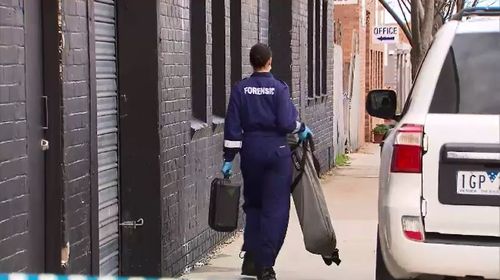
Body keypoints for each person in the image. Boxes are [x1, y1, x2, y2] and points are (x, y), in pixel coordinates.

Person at [221, 43, 312, 280]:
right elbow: (286, 122)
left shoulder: (240, 89)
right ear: (270, 61)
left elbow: (232, 128)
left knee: (254, 206)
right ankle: (265, 265)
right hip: (276, 153)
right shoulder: (279, 88)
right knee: (276, 210)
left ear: (251, 62)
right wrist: (302, 129)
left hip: (250, 154)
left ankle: (251, 257)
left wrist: (229, 160)